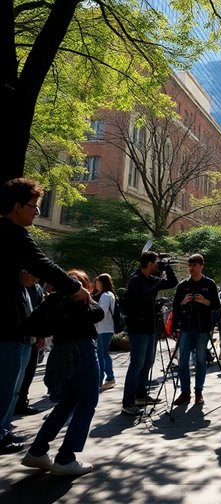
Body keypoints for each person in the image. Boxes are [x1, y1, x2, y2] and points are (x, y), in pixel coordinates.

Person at [0, 178, 90, 455]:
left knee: (11, 387)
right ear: (16, 206)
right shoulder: (13, 233)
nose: (37, 212)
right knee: (5, 386)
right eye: (33, 206)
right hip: (6, 328)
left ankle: (2, 432)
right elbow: (44, 264)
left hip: (16, 329)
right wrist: (76, 287)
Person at [20, 269, 103, 476]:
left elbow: (31, 324)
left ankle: (37, 451)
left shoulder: (54, 300)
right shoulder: (78, 301)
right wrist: (83, 297)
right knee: (87, 402)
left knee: (67, 402)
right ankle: (65, 458)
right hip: (82, 350)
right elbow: (98, 313)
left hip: (61, 350)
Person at [121, 251, 177, 416]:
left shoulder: (151, 279)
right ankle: (128, 402)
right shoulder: (136, 279)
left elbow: (172, 282)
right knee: (136, 364)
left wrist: (168, 269)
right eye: (157, 263)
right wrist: (158, 285)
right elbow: (144, 295)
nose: (158, 265)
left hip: (150, 327)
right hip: (138, 328)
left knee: (147, 362)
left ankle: (140, 394)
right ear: (150, 263)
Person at [172, 254, 220, 406]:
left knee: (200, 360)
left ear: (201, 266)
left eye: (194, 265)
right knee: (182, 361)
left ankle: (198, 391)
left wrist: (205, 301)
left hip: (203, 327)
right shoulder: (183, 285)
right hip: (186, 327)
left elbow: (217, 306)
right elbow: (175, 307)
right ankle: (185, 392)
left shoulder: (209, 284)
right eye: (190, 265)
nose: (191, 268)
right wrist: (183, 301)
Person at [14, 271, 44, 416]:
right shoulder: (17, 287)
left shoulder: (37, 289)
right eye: (33, 273)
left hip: (32, 338)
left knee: (28, 373)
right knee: (15, 378)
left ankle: (21, 402)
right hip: (17, 339)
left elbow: (40, 311)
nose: (36, 278)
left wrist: (41, 334)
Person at [93, 273, 117, 391]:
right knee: (103, 353)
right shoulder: (108, 294)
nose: (95, 284)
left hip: (103, 328)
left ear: (102, 282)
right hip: (105, 328)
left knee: (101, 354)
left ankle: (107, 378)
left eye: (97, 282)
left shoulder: (105, 296)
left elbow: (102, 313)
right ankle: (106, 378)